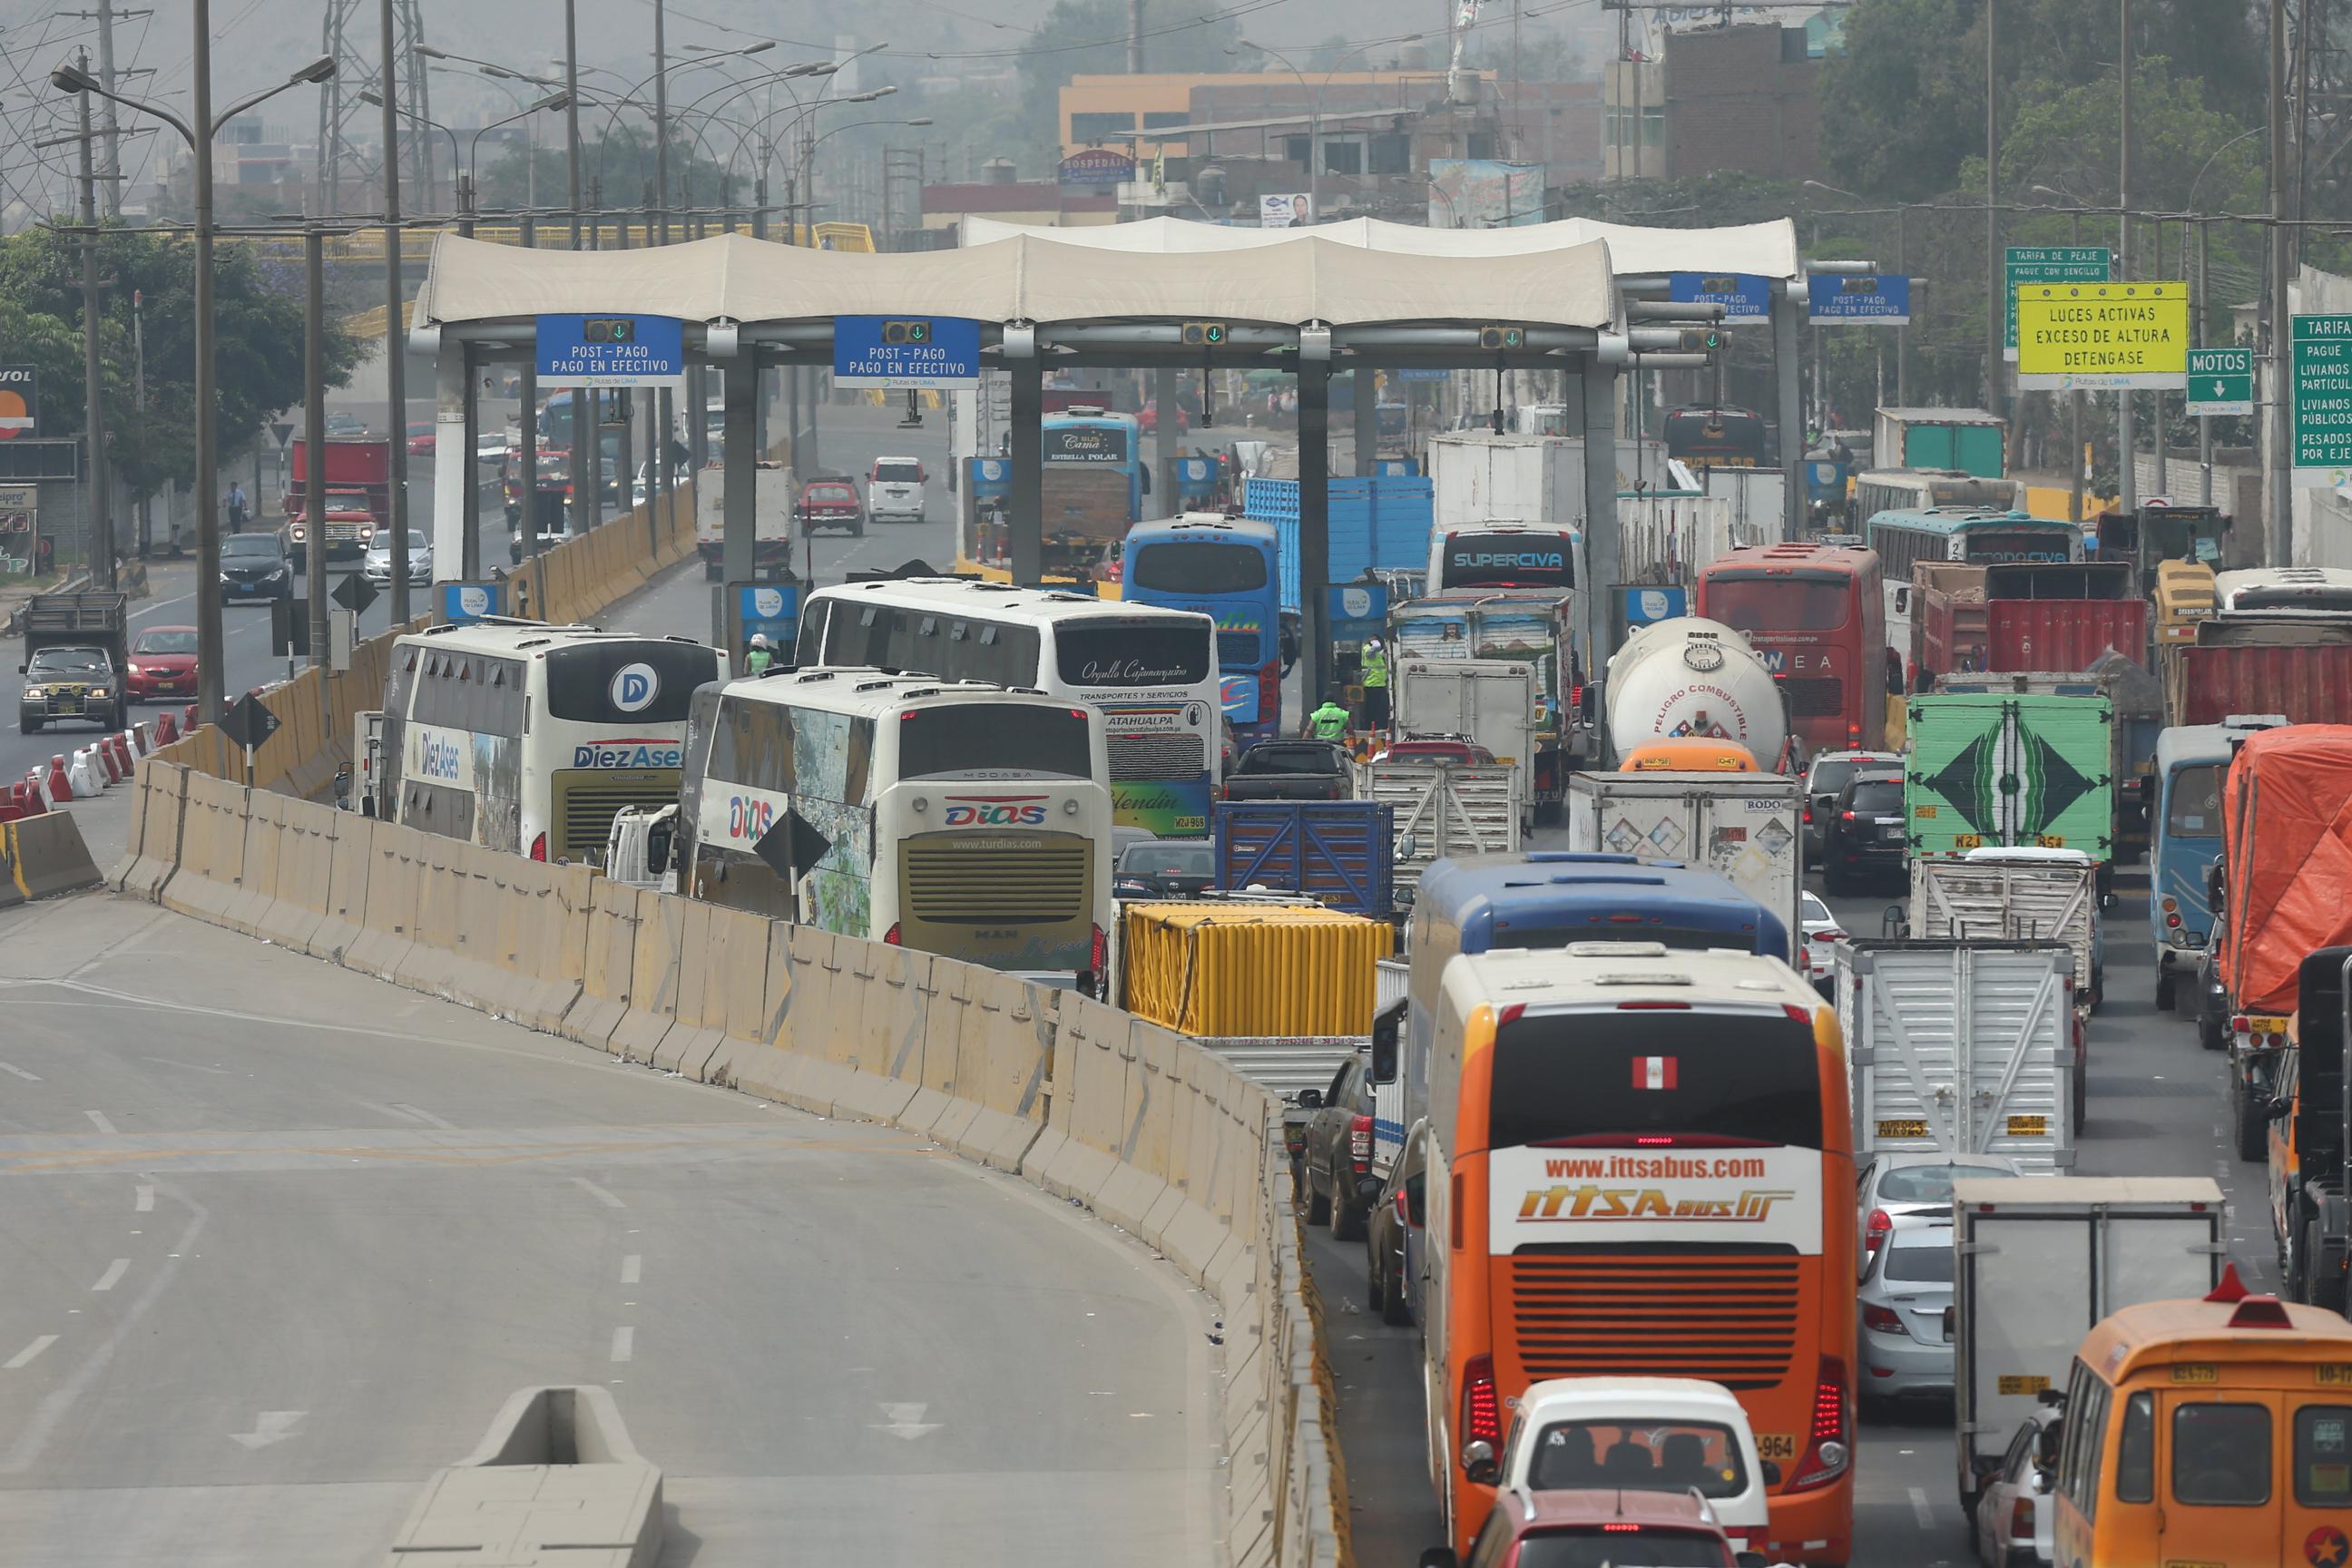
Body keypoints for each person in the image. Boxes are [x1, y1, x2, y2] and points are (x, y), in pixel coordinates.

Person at [1359, 636, 1390, 730]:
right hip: (1372, 684)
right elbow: (1375, 648)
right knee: (1374, 708)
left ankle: (1376, 726)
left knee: (1378, 708)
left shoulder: (1374, 653)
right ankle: (1372, 727)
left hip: (1378, 684)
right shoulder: (1368, 649)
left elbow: (1377, 654)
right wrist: (1375, 641)